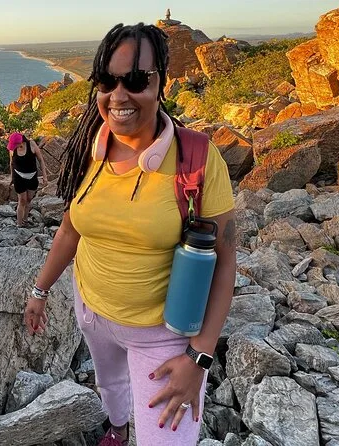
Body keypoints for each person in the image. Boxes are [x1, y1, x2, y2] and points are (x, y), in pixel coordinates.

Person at [22, 23, 237, 446]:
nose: (118, 95)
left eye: (136, 80)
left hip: (162, 334)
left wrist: (199, 357)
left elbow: (226, 262)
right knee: (110, 387)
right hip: (92, 310)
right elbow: (70, 228)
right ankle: (118, 429)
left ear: (161, 83)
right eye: (107, 81)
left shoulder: (196, 156)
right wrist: (39, 291)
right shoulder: (89, 146)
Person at [7, 132, 48, 227]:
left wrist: (45, 176)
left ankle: (25, 220)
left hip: (32, 176)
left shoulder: (31, 144)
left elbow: (41, 160)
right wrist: (12, 177)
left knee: (29, 199)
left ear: (20, 142)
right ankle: (19, 224)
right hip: (18, 176)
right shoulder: (12, 149)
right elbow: (11, 163)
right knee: (22, 200)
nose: (14, 147)